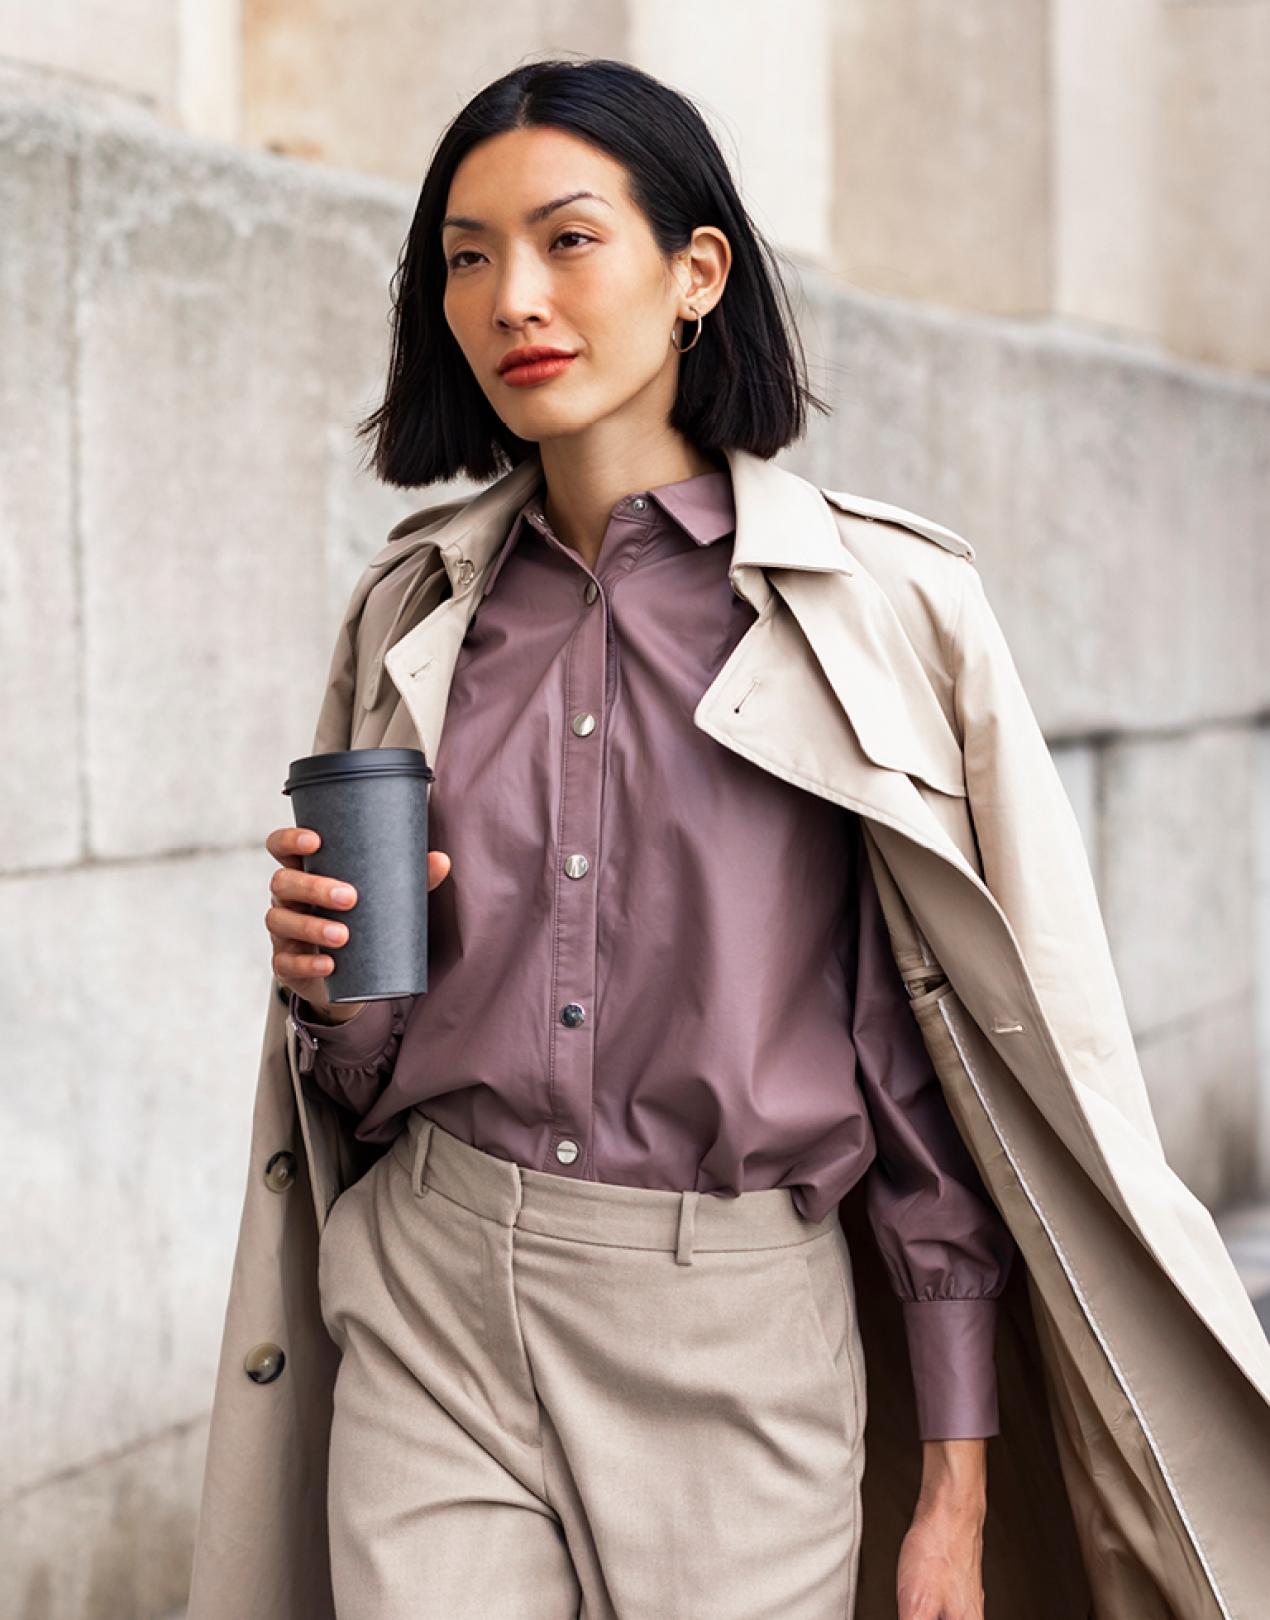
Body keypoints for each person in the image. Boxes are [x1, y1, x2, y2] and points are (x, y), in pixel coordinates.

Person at [261, 55, 1015, 1620]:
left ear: (694, 272)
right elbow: (365, 1069)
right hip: (432, 1294)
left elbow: (927, 1059)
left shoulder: (871, 616)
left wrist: (954, 1480)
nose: (509, 297)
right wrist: (330, 984)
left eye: (566, 239)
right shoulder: (412, 610)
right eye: (465, 256)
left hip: (726, 1335)